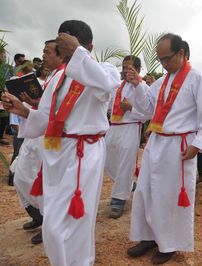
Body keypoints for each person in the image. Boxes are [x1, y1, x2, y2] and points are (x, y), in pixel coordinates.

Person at [1, 20, 120, 265]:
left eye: (66, 43)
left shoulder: (104, 69)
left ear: (86, 46)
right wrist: (23, 110)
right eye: (61, 43)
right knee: (53, 224)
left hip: (83, 153)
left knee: (74, 222)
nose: (62, 49)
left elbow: (105, 86)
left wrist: (79, 52)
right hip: (56, 152)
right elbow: (46, 117)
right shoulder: (56, 79)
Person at [125, 33, 202, 264]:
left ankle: (168, 244)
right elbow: (146, 110)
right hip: (156, 142)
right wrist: (138, 86)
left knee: (168, 196)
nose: (164, 64)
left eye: (167, 59)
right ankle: (148, 237)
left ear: (182, 53)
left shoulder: (197, 79)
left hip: (179, 146)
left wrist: (198, 145)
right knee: (146, 191)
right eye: (160, 60)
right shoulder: (161, 82)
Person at [12, 39, 64, 245]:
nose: (43, 56)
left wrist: (35, 106)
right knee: (20, 177)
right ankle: (37, 216)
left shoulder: (63, 79)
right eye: (42, 51)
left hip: (48, 138)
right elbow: (42, 108)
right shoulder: (51, 78)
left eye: (47, 51)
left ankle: (49, 223)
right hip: (32, 134)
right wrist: (25, 103)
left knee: (42, 183)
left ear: (60, 56)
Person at [105, 55, 151, 219]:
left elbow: (148, 114)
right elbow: (109, 105)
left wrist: (131, 108)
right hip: (113, 127)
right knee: (106, 159)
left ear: (138, 70)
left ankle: (118, 201)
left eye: (129, 68)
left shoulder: (144, 87)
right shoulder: (118, 86)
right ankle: (129, 184)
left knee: (125, 164)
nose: (125, 71)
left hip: (131, 127)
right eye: (124, 67)